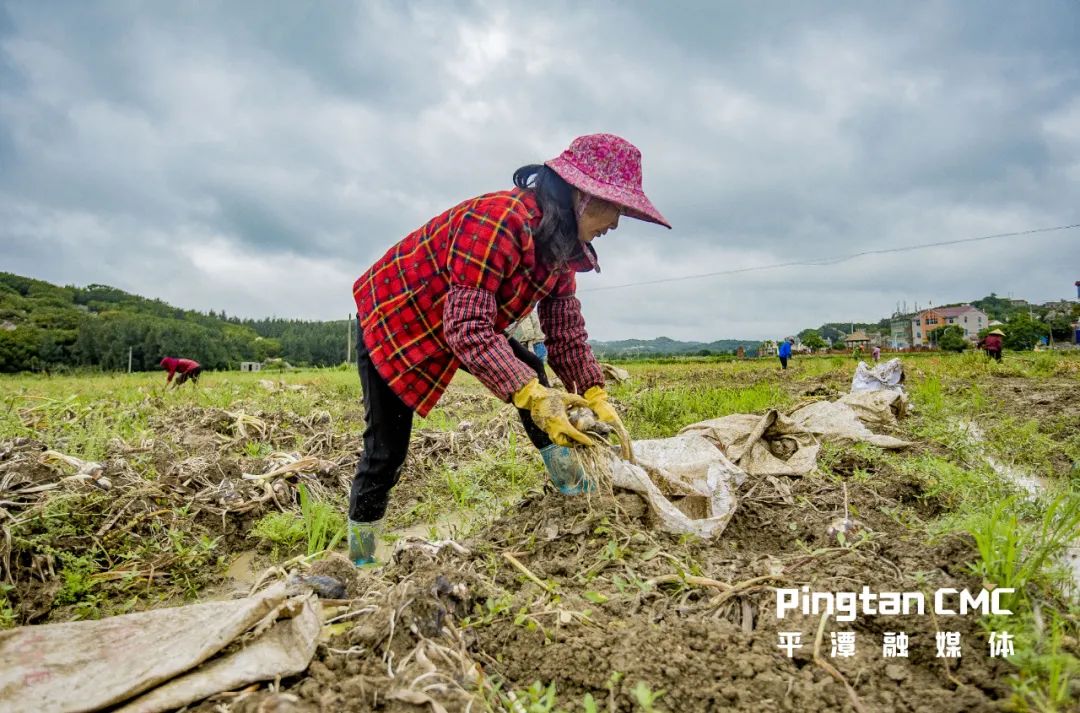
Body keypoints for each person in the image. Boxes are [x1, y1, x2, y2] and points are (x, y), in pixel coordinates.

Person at [347, 133, 670, 565]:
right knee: (386, 451)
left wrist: (594, 393)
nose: (616, 222)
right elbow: (467, 328)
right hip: (396, 320)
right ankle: (360, 559)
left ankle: (575, 486)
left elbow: (566, 332)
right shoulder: (498, 223)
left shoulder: (561, 249)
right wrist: (532, 396)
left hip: (455, 320)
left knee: (534, 378)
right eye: (615, 207)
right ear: (582, 195)